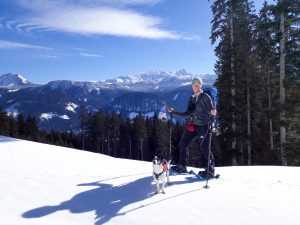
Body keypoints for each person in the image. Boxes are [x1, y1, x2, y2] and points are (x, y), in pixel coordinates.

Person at [168, 78, 217, 176]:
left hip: (204, 126)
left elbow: (212, 110)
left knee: (205, 148)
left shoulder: (205, 97)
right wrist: (174, 112)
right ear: (192, 87)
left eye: (198, 85)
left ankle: (210, 171)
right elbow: (187, 113)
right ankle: (182, 166)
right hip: (194, 126)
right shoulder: (192, 98)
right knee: (183, 143)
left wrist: (213, 113)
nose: (196, 86)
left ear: (200, 86)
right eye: (194, 85)